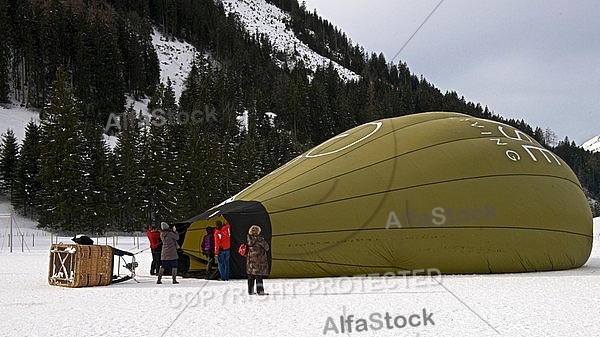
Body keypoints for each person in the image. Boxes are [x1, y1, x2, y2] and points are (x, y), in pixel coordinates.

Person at [246, 224, 270, 295]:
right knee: (258, 276)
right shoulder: (260, 239)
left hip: (250, 261)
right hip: (258, 261)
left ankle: (250, 291)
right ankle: (260, 291)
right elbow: (267, 247)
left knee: (251, 276)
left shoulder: (249, 239)